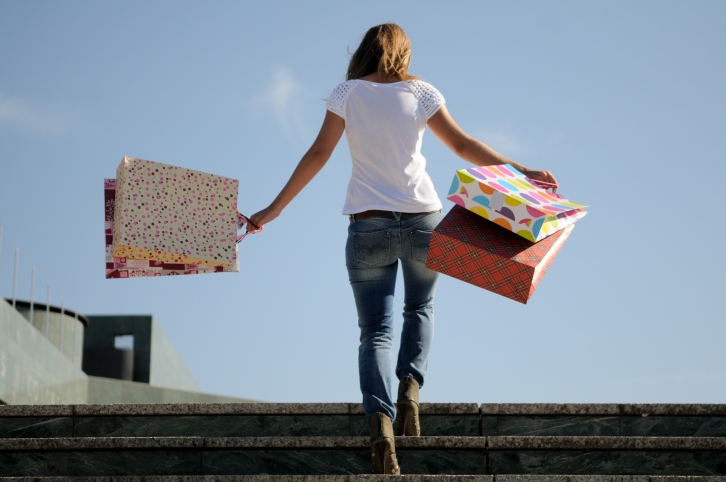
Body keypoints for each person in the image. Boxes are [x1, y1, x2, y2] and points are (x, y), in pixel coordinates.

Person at [250, 23, 557, 475]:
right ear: (404, 53)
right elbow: (462, 144)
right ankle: (410, 388)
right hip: (423, 222)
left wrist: (274, 209)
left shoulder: (346, 93)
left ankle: (380, 422)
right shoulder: (422, 92)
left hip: (367, 225)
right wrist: (522, 169)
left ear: (365, 52)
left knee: (375, 330)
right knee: (421, 309)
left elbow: (318, 154)